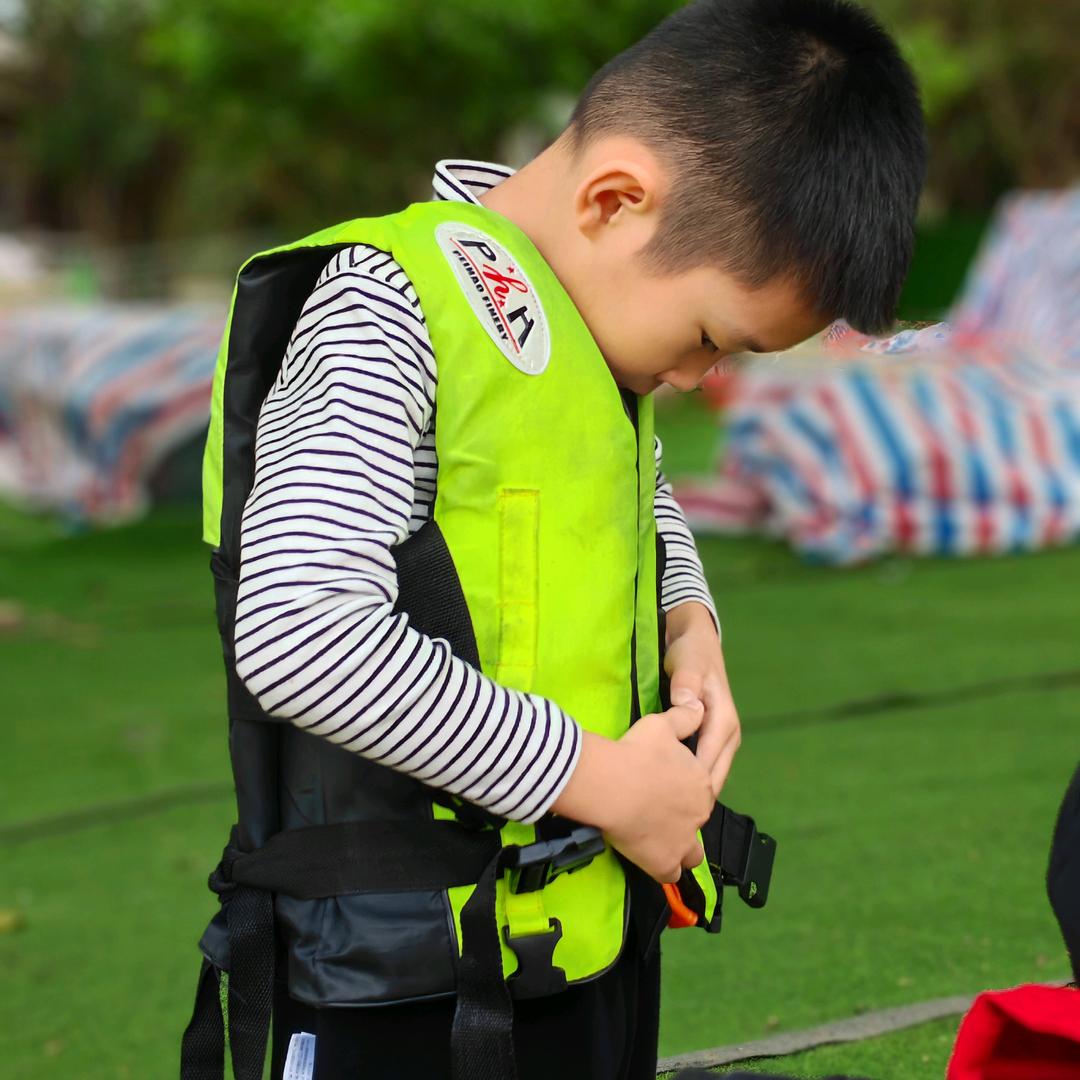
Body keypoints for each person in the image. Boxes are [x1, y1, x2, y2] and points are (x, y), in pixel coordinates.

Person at [183, 1, 926, 1078]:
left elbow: (634, 486)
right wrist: (608, 785)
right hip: (405, 986)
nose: (696, 379)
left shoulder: (587, 317)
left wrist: (692, 623)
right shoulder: (389, 307)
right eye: (714, 339)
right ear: (616, 200)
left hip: (578, 940)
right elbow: (304, 637)